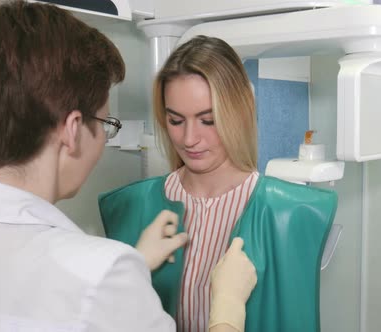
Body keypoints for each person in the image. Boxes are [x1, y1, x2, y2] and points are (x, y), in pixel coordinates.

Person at [0, 2, 256, 332]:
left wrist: (135, 266)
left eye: (207, 119)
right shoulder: (102, 269)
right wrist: (227, 309)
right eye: (105, 122)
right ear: (73, 129)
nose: (190, 138)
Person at [99, 35, 338, 332]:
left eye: (208, 120)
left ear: (239, 112)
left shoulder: (291, 213)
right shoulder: (131, 207)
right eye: (176, 121)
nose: (189, 139)